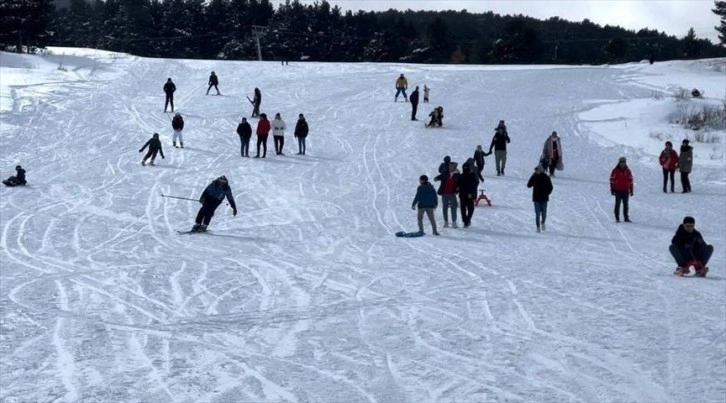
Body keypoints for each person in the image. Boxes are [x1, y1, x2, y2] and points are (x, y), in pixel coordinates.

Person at [527, 165, 554, 232]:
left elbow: (550, 187)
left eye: (537, 170)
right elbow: (528, 185)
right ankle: (538, 227)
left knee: (544, 214)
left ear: (541, 170)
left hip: (544, 199)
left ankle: (543, 222)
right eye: (536, 170)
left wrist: (547, 193)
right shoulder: (534, 177)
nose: (536, 171)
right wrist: (532, 176)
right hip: (536, 199)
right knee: (537, 214)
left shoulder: (546, 177)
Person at [434, 161, 460, 228]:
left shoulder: (457, 174)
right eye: (449, 166)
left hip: (452, 193)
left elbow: (460, 184)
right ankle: (446, 222)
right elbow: (440, 175)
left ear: (454, 166)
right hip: (444, 193)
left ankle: (454, 222)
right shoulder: (445, 172)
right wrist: (436, 178)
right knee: (445, 207)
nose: (450, 167)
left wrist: (457, 190)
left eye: (451, 166)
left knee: (453, 208)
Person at [610, 156, 633, 223]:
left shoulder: (628, 171)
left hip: (626, 190)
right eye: (621, 162)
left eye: (624, 162)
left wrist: (631, 190)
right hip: (618, 190)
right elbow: (612, 180)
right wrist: (612, 189)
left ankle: (626, 217)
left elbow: (631, 180)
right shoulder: (615, 171)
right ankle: (617, 218)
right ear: (619, 162)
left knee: (626, 204)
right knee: (617, 204)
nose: (622, 163)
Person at [457, 162, 479, 228]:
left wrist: (472, 194)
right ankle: (465, 222)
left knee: (471, 208)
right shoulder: (461, 176)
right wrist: (457, 189)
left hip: (470, 195)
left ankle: (468, 219)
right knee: (463, 209)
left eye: (466, 168)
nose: (465, 169)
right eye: (464, 168)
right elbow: (458, 184)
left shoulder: (473, 175)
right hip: (463, 195)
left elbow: (475, 185)